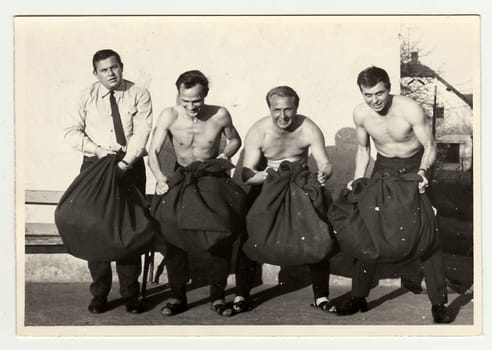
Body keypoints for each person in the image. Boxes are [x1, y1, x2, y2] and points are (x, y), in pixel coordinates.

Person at [335, 66, 451, 323]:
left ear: (389, 88)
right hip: (383, 169)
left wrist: (422, 172)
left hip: (414, 168)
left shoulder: (410, 109)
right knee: (370, 231)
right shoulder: (361, 113)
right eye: (368, 94)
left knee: (427, 234)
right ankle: (358, 297)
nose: (374, 100)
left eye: (379, 93)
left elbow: (430, 146)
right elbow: (364, 149)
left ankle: (439, 303)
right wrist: (358, 177)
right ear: (361, 93)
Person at [64, 49, 153, 314]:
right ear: (96, 73)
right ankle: (100, 293)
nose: (111, 73)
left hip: (130, 165)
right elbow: (71, 131)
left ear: (122, 67)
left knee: (129, 230)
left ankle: (130, 294)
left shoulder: (139, 94)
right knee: (95, 229)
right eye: (104, 70)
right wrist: (100, 152)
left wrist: (126, 162)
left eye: (114, 68)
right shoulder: (86, 96)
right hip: (96, 166)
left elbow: (142, 131)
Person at [148, 70, 242, 317]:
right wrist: (159, 178)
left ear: (205, 95)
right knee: (173, 234)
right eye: (185, 100)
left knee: (219, 235)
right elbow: (153, 150)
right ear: (178, 95)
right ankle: (177, 296)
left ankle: (218, 296)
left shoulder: (220, 114)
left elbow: (235, 139)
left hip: (211, 176)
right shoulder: (169, 114)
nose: (191, 106)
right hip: (182, 176)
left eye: (196, 100)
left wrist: (225, 154)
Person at [236, 85, 336, 313]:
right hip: (267, 185)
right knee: (249, 235)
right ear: (269, 109)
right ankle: (241, 295)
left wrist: (324, 172)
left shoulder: (308, 128)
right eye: (277, 110)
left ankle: (321, 297)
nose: (283, 116)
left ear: (296, 108)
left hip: (299, 184)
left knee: (317, 235)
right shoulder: (258, 131)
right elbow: (247, 174)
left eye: (288, 109)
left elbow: (325, 163)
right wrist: (270, 176)